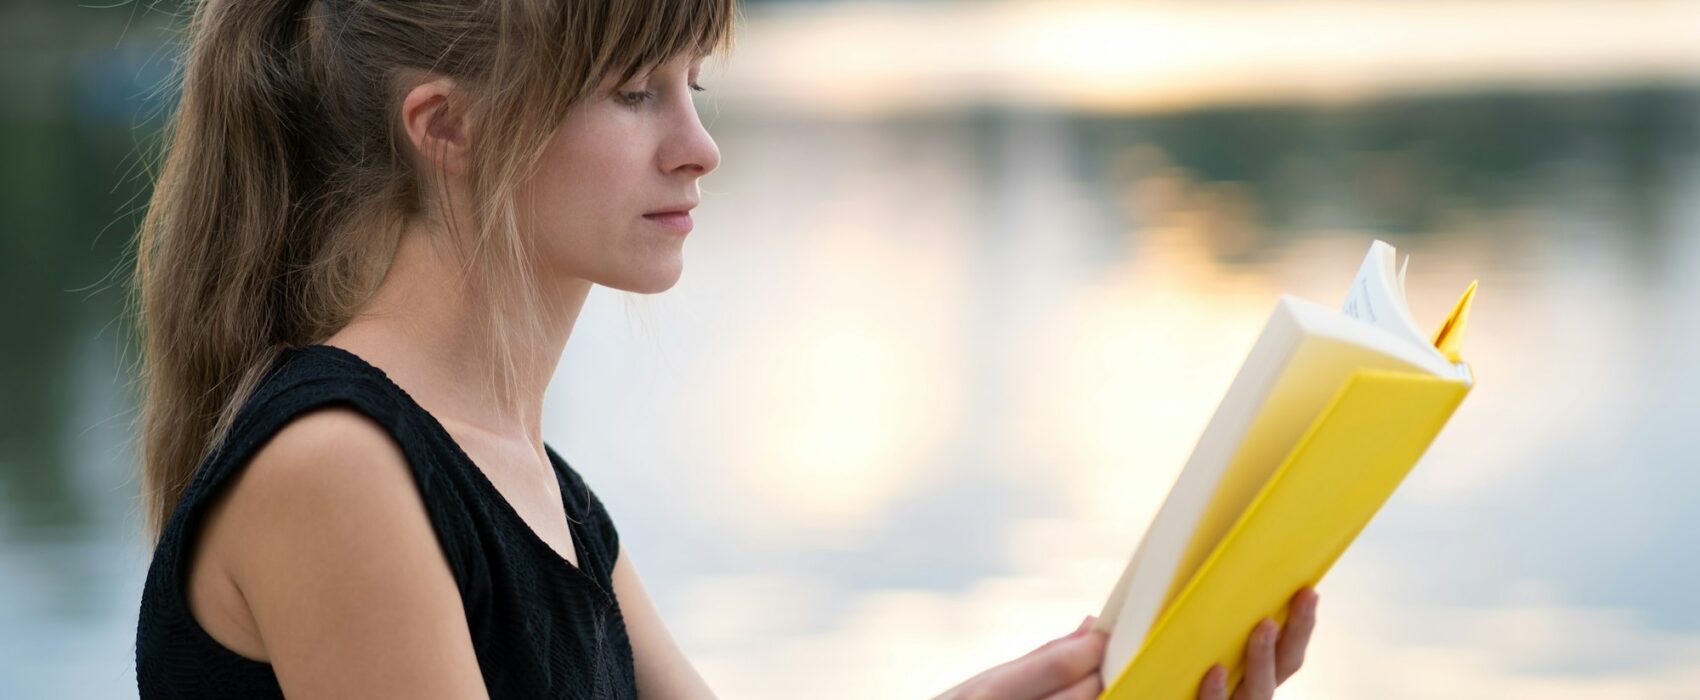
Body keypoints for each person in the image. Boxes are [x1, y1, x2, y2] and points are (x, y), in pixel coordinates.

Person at [130, 0, 1319, 698]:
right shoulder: (334, 465)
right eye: (634, 93)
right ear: (451, 128)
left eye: (691, 85)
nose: (699, 147)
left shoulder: (536, 485)